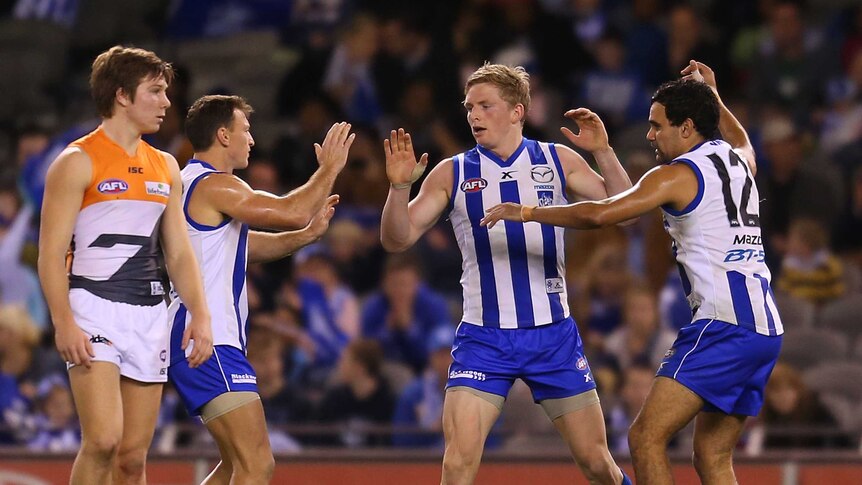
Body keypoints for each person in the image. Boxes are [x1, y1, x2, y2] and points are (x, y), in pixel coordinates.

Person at [481, 60, 785, 485]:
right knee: (712, 457)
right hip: (765, 329)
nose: (650, 135)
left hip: (723, 325)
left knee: (644, 438)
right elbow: (744, 141)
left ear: (687, 127)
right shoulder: (738, 162)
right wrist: (714, 93)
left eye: (657, 125)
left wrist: (528, 210)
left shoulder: (677, 174)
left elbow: (603, 214)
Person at [380, 62, 633, 485]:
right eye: (469, 107)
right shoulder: (453, 172)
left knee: (597, 464)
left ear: (517, 111)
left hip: (552, 335)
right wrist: (398, 188)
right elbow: (396, 240)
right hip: (484, 338)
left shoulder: (557, 159)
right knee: (457, 465)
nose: (474, 116)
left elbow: (623, 214)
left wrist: (604, 152)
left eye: (485, 106)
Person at [37, 45, 213, 485]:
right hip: (93, 308)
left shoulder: (167, 165)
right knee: (102, 441)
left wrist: (201, 314)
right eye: (154, 91)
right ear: (121, 96)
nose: (167, 102)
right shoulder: (76, 161)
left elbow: (178, 252)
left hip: (149, 314)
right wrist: (63, 323)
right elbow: (50, 254)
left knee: (132, 457)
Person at [167, 94, 353, 484]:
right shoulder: (216, 186)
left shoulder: (187, 183)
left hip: (195, 337)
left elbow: (241, 249)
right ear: (222, 135)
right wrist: (330, 169)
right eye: (245, 131)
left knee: (235, 466)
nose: (252, 140)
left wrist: (304, 237)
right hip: (208, 339)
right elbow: (290, 210)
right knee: (257, 465)